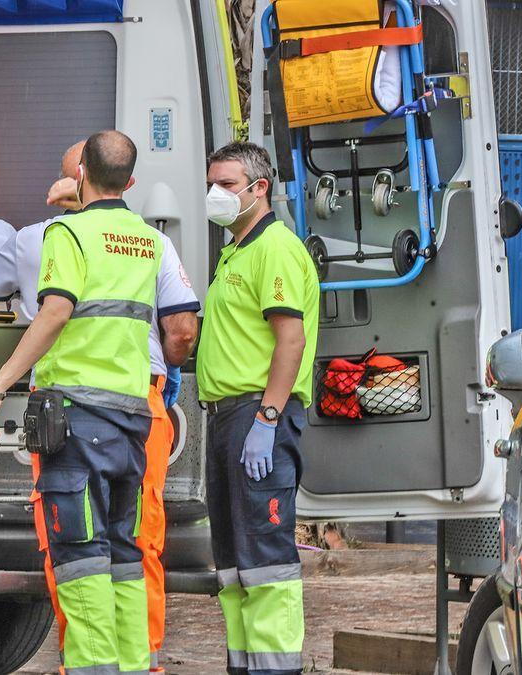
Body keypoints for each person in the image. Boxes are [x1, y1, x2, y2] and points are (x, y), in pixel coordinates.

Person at [0, 142, 199, 672]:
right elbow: (179, 330)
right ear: (129, 182)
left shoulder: (64, 235)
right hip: (132, 420)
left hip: (74, 421)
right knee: (126, 555)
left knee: (79, 556)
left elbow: (55, 311)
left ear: (80, 175)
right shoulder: (150, 241)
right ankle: (136, 665)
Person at [196, 142, 319, 675]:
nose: (214, 195)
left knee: (266, 565)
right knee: (234, 569)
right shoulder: (236, 251)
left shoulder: (276, 249)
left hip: (256, 415)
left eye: (225, 185)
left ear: (258, 187)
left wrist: (267, 420)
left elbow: (289, 341)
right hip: (228, 418)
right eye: (212, 184)